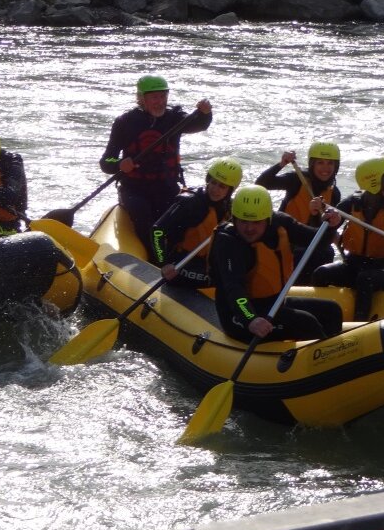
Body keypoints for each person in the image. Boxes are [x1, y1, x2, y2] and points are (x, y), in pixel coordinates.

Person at [209, 186, 343, 342]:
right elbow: (234, 289)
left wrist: (331, 226)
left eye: (256, 222)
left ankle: (335, 355)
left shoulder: (280, 223)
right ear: (234, 217)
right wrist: (251, 319)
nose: (249, 228)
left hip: (273, 304)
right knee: (306, 323)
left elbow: (316, 240)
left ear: (268, 218)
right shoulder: (228, 242)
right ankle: (322, 361)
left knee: (332, 310)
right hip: (239, 315)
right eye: (243, 221)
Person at [99, 75, 213, 255]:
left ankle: (174, 254)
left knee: (177, 216)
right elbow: (106, 161)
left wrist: (206, 113)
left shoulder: (175, 118)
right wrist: (120, 164)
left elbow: (198, 124)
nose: (159, 102)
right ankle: (153, 257)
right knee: (142, 212)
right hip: (134, 189)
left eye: (163, 96)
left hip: (165, 185)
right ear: (142, 99)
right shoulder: (125, 122)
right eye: (154, 97)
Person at [311, 157, 384, 321]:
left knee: (365, 279)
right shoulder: (352, 202)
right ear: (376, 184)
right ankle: (322, 318)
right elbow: (325, 232)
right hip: (353, 265)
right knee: (321, 273)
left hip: (383, 270)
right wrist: (324, 217)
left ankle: (359, 324)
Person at [152, 157, 243, 288]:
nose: (215, 189)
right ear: (208, 181)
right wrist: (163, 263)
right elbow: (157, 231)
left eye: (222, 186)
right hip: (181, 264)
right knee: (224, 282)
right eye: (213, 183)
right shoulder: (190, 202)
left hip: (205, 263)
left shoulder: (230, 208)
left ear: (230, 190)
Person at [255, 141, 342, 275]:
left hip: (308, 239)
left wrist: (316, 215)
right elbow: (261, 184)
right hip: (285, 236)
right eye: (320, 163)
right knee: (303, 252)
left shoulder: (334, 193)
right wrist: (282, 164)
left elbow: (322, 233)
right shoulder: (297, 179)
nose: (325, 168)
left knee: (326, 252)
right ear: (312, 164)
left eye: (330, 163)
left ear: (336, 166)